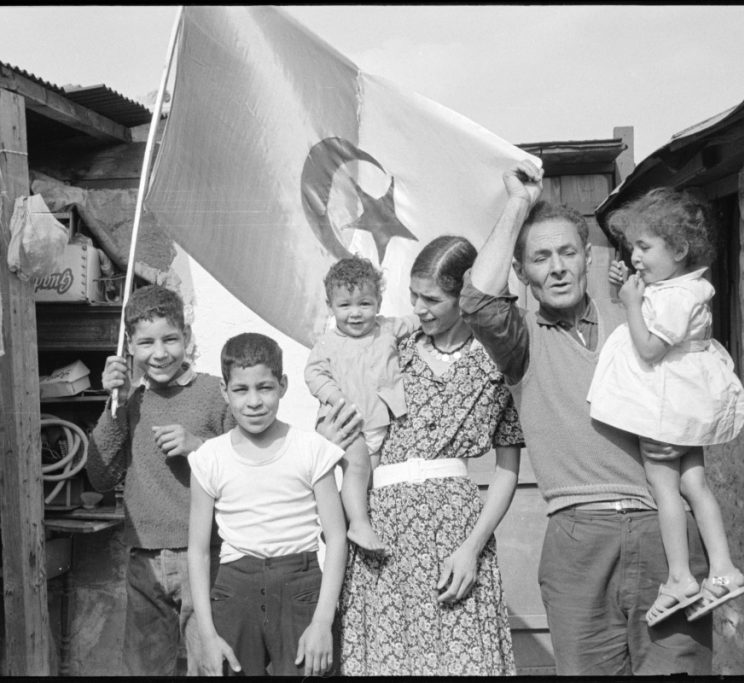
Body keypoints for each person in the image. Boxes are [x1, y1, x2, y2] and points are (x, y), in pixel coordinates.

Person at [459, 159, 713, 675]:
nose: (557, 268)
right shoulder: (520, 340)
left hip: (663, 534)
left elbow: (700, 384)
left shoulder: (640, 316)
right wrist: (519, 203)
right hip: (578, 540)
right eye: (540, 258)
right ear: (521, 273)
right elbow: (478, 301)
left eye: (567, 253)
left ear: (587, 257)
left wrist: (687, 445)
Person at [339, 235, 522, 676]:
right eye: (414, 295)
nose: (419, 308)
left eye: (433, 299)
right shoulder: (392, 349)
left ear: (464, 298)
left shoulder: (495, 361)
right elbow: (360, 437)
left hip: (457, 532)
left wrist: (472, 549)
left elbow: (507, 470)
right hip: (384, 531)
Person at [587, 187, 744, 625]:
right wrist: (629, 292)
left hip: (667, 407)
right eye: (632, 247)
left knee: (664, 486)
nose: (635, 256)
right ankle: (723, 569)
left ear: (678, 250)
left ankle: (680, 577)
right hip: (684, 401)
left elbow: (649, 348)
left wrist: (630, 303)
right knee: (695, 483)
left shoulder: (676, 298)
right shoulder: (680, 287)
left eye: (644, 247)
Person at [86, 284, 235, 676]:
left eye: (170, 339)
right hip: (145, 560)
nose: (160, 353)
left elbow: (245, 469)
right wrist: (115, 404)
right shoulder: (129, 401)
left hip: (206, 555)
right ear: (129, 347)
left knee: (211, 666)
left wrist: (198, 447)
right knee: (144, 670)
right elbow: (99, 476)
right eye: (146, 342)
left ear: (187, 336)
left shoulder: (213, 394)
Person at [187, 332, 348, 677]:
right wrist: (207, 634)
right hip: (235, 591)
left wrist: (322, 621)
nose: (254, 401)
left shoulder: (310, 449)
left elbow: (336, 537)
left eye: (265, 387)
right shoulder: (209, 458)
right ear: (224, 391)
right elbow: (198, 551)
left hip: (301, 588)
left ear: (283, 385)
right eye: (241, 390)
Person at [304, 256, 419, 554]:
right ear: (330, 306)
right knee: (356, 466)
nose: (355, 313)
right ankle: (358, 524)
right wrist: (336, 399)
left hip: (379, 421)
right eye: (345, 305)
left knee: (369, 479)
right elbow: (314, 374)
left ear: (378, 302)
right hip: (345, 422)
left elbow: (417, 320)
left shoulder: (387, 329)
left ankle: (341, 522)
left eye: (364, 304)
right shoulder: (327, 343)